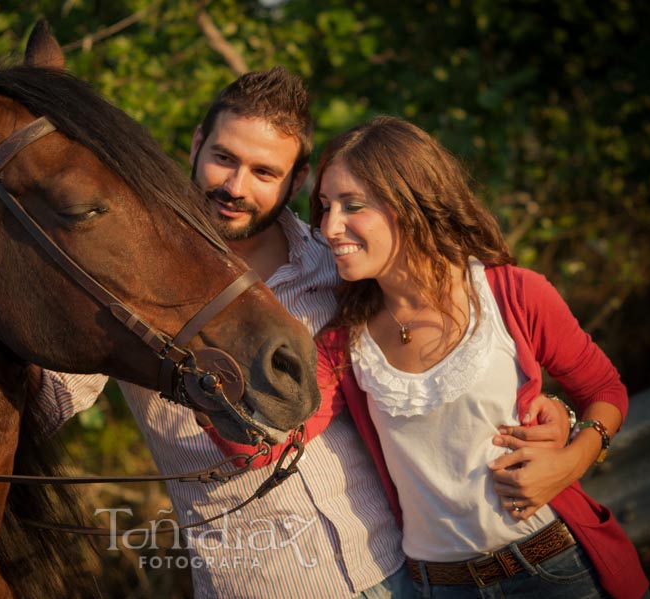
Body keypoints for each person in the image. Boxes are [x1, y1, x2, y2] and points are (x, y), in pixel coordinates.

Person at [31, 73, 569, 599]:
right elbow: (46, 394)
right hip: (257, 584)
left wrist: (549, 409)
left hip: (397, 567)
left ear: (300, 178)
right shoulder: (134, 273)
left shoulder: (337, 267)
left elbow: (442, 358)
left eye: (264, 172)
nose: (235, 187)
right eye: (224, 158)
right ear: (197, 144)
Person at [232, 115, 648, 598]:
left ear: (410, 203)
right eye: (324, 207)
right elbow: (271, 441)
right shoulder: (343, 343)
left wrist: (574, 459)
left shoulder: (512, 294)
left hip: (555, 568)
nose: (329, 227)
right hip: (440, 587)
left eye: (353, 206)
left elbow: (603, 391)